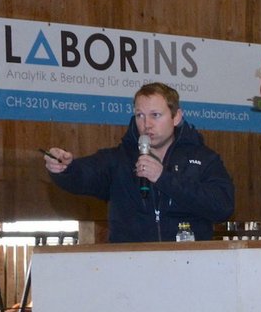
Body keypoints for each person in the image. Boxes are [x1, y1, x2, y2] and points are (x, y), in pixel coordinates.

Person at [43, 82, 234, 243]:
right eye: (140, 115)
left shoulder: (204, 159)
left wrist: (163, 178)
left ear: (176, 117)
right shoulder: (119, 160)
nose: (146, 124)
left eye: (155, 115)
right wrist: (64, 168)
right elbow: (83, 175)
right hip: (131, 265)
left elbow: (223, 207)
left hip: (189, 264)